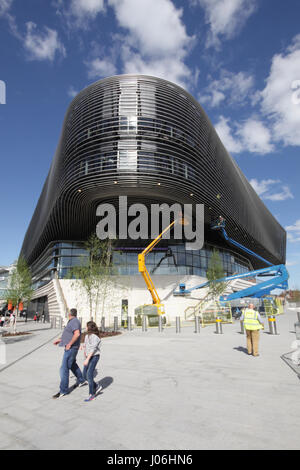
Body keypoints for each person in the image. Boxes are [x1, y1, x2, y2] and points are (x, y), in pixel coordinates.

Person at [52, 308, 85, 399]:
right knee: (72, 364)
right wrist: (60, 340)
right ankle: (81, 380)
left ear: (69, 314)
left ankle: (63, 390)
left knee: (64, 368)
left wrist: (69, 344)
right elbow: (69, 334)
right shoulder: (73, 321)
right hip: (71, 348)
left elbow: (77, 334)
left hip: (71, 348)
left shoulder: (74, 321)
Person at [82, 321, 102, 402]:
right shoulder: (87, 336)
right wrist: (83, 350)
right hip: (88, 357)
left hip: (94, 357)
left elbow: (93, 349)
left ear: (89, 327)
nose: (85, 328)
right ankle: (96, 386)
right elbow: (86, 346)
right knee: (84, 375)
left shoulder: (95, 337)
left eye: (86, 326)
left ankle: (92, 394)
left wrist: (87, 359)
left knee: (89, 374)